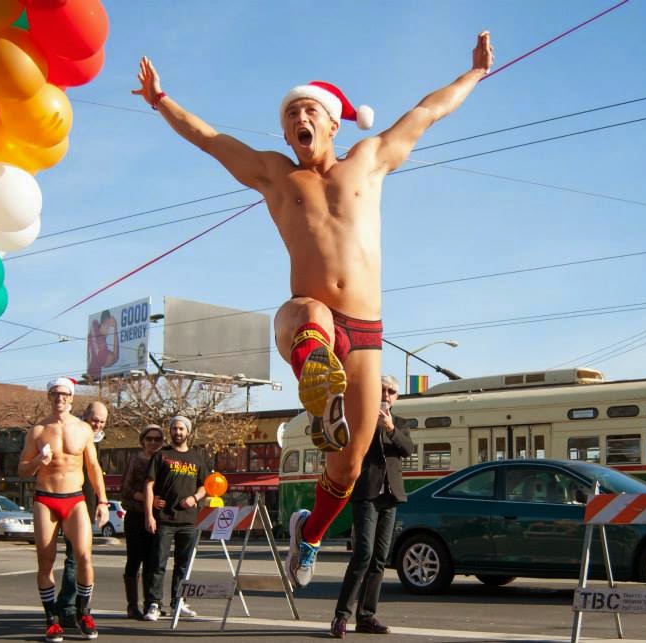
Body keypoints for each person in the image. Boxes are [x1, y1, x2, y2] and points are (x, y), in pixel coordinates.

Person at [133, 31, 493, 588]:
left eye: (309, 111)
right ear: (284, 134)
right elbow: (210, 140)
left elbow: (427, 112)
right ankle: (318, 384)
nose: (300, 119)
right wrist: (161, 101)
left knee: (349, 463)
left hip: (366, 331)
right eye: (290, 114)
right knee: (308, 318)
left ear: (332, 124)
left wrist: (474, 74)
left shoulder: (368, 160)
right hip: (309, 315)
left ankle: (311, 533)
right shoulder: (278, 174)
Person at [17, 378, 109, 642]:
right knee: (45, 561)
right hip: (45, 498)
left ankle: (84, 613)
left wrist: (103, 501)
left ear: (71, 398)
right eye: (55, 394)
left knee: (84, 557)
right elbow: (22, 469)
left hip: (75, 498)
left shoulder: (83, 429)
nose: (60, 398)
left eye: (65, 394)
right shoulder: (37, 431)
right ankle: (52, 619)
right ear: (49, 397)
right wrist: (38, 460)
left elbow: (93, 467)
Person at [330, 375, 413, 638]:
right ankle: (341, 616)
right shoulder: (361, 419)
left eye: (392, 391)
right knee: (363, 554)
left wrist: (390, 428)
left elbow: (407, 449)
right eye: (382, 390)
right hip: (366, 495)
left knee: (379, 558)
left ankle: (366, 616)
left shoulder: (400, 423)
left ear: (397, 397)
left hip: (390, 497)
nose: (386, 395)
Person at [142, 416, 209, 621]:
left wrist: (194, 498)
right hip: (164, 520)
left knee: (183, 565)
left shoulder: (197, 457)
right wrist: (149, 515)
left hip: (189, 521)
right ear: (170, 431)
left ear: (188, 432)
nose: (177, 432)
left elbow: (205, 485)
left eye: (181, 429)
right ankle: (154, 604)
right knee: (158, 563)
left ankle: (179, 602)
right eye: (174, 428)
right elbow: (149, 486)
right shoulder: (161, 456)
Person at [56, 401, 108, 628]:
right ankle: (66, 608)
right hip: (70, 502)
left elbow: (97, 475)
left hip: (87, 506)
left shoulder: (99, 441)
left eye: (102, 422)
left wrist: (101, 502)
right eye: (94, 420)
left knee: (84, 558)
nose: (98, 425)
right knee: (74, 558)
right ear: (85, 416)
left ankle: (80, 607)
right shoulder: (72, 434)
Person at [119, 424, 165, 620]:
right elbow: (125, 489)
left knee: (153, 561)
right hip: (136, 516)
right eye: (149, 439)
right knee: (134, 560)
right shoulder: (136, 459)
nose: (153, 442)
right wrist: (148, 499)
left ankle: (151, 603)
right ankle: (132, 605)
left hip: (158, 517)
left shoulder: (164, 459)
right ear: (143, 441)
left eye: (157, 439)